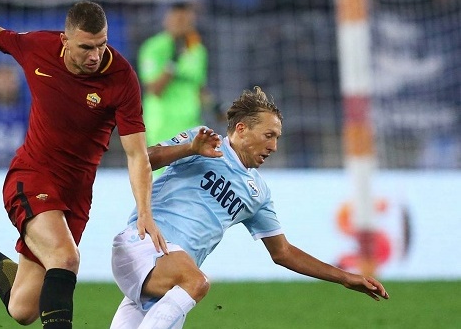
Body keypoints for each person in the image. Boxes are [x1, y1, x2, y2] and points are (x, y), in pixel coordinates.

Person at [0, 0, 167, 328]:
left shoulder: (121, 78)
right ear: (65, 40)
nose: (95, 55)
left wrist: (144, 211)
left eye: (102, 45)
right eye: (86, 47)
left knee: (23, 309)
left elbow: (137, 154)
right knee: (66, 258)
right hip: (32, 177)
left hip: (75, 195)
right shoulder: (38, 47)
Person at [109, 86, 390, 329]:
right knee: (197, 282)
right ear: (242, 129)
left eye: (277, 137)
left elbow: (283, 252)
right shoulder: (204, 141)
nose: (274, 145)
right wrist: (189, 149)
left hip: (168, 277)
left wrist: (345, 278)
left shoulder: (259, 194)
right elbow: (143, 159)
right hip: (143, 243)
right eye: (269, 135)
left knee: (185, 286)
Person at [137, 1, 208, 147]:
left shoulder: (198, 50)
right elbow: (154, 89)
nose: (182, 25)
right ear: (167, 21)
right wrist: (174, 60)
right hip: (162, 127)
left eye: (186, 21)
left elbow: (199, 89)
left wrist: (217, 108)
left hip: (191, 126)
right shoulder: (153, 48)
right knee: (165, 170)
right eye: (178, 21)